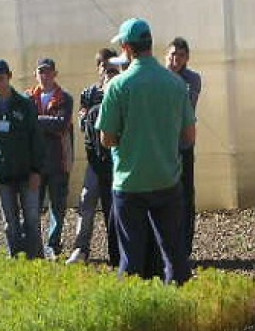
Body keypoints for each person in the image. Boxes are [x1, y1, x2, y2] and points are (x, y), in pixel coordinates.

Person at [97, 17, 196, 285]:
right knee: (174, 255)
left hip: (130, 182)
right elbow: (188, 136)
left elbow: (106, 139)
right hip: (167, 179)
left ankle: (135, 319)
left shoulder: (117, 86)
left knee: (131, 258)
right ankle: (181, 314)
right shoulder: (176, 84)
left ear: (127, 48)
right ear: (151, 44)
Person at [0, 59, 46, 259]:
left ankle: (36, 261)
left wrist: (36, 170)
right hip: (3, 174)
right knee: (10, 222)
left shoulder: (25, 104)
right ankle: (17, 259)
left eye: (1, 78)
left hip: (27, 172)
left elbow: (36, 139)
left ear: (10, 77)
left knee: (31, 219)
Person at [66, 50, 121, 266]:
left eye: (112, 68)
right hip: (96, 160)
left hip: (118, 160)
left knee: (114, 206)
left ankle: (116, 252)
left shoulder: (122, 90)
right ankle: (81, 249)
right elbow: (83, 123)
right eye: (105, 68)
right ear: (98, 69)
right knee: (87, 200)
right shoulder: (89, 93)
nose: (108, 72)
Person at [27, 57, 74, 259]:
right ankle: (35, 243)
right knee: (33, 205)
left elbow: (61, 124)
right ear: (35, 75)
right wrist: (47, 122)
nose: (44, 76)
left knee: (57, 206)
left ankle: (53, 243)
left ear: (55, 74)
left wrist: (36, 120)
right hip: (35, 163)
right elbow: (28, 126)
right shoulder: (28, 98)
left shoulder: (65, 98)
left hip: (58, 161)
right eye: (41, 72)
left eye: (48, 72)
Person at [166, 36, 202, 259]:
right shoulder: (157, 76)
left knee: (186, 194)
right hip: (162, 146)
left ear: (187, 58)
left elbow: (185, 107)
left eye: (180, 56)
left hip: (183, 144)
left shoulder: (192, 79)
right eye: (172, 55)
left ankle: (185, 246)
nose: (175, 59)